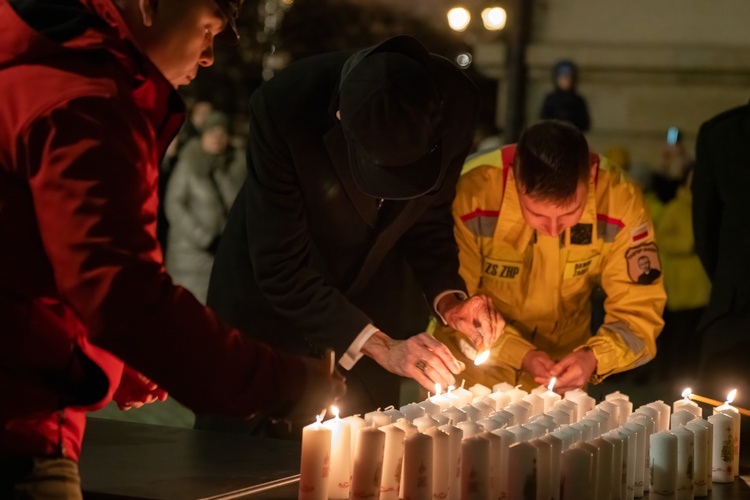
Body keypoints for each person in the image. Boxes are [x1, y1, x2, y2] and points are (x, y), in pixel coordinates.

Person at [0, 0, 343, 496]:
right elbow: (122, 295)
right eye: (207, 28)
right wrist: (287, 384)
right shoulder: (86, 98)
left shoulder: (32, 72)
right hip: (20, 435)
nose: (207, 56)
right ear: (148, 5)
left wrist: (111, 357)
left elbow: (33, 260)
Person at [203, 35, 504, 427]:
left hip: (375, 308)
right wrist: (381, 345)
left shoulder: (455, 103)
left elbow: (427, 218)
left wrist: (450, 300)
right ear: (343, 118)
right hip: (271, 317)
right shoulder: (285, 107)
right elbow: (279, 264)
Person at [437, 120, 666, 394]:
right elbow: (456, 305)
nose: (554, 229)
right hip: (469, 373)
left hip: (563, 374)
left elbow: (639, 312)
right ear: (516, 179)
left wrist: (595, 358)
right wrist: (522, 354)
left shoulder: (621, 199)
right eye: (537, 215)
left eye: (571, 213)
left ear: (590, 175)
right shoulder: (472, 189)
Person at [692, 104, 750, 405]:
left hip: (736, 306)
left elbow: (705, 230)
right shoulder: (723, 133)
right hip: (737, 311)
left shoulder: (723, 132)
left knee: (724, 440)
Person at [165, 111, 246, 304]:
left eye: (222, 134)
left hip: (223, 256)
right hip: (191, 258)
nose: (217, 139)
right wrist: (204, 238)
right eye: (212, 133)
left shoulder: (234, 165)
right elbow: (174, 205)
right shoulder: (189, 164)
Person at [540, 60, 591, 132]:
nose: (565, 81)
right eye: (562, 78)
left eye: (568, 78)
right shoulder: (551, 99)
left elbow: (585, 124)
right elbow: (543, 120)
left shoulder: (578, 101)